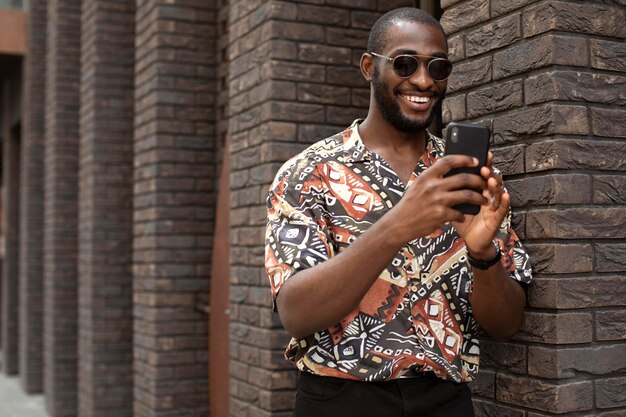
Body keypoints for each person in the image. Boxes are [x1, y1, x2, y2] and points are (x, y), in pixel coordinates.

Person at [264, 7, 532, 417]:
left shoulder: (466, 176)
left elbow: (506, 324)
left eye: (437, 67)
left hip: (445, 401)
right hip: (340, 401)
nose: (423, 80)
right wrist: (397, 225)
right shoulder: (309, 173)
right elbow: (296, 314)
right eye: (405, 64)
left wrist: (483, 255)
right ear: (370, 67)